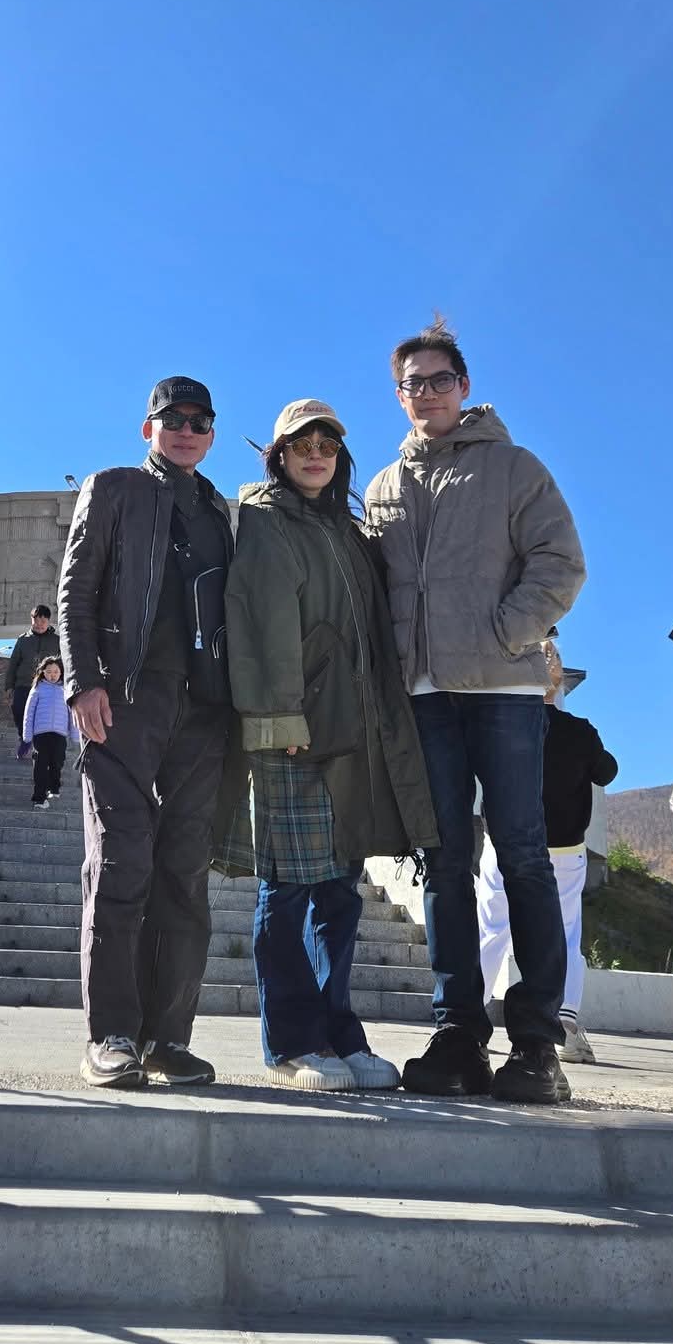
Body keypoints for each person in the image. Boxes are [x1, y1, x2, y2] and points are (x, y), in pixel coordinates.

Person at [365, 318, 586, 1105]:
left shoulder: (514, 467)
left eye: (439, 380)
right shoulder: (383, 488)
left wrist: (506, 632)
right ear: (399, 397)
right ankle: (457, 1033)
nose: (426, 393)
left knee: (522, 853)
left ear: (463, 387)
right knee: (445, 860)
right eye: (412, 384)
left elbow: (561, 562)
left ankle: (537, 1044)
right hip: (424, 698)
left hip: (503, 691)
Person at [218, 399, 439, 1091]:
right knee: (287, 888)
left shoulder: (347, 530)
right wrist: (278, 717)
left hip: (354, 732)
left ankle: (339, 1034)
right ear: (279, 455)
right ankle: (291, 1044)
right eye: (302, 444)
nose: (315, 454)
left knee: (339, 892)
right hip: (293, 731)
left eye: (327, 445)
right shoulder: (264, 518)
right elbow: (259, 620)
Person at [58, 375, 235, 1091]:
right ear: (148, 428)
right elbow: (75, 590)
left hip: (204, 712)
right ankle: (112, 1035)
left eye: (200, 421)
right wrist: (82, 682)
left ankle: (168, 1039)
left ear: (211, 434)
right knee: (121, 862)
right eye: (173, 419)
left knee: (185, 875)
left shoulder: (218, 510)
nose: (186, 430)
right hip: (125, 702)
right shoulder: (115, 488)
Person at [478, 638, 618, 1065]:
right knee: (564, 935)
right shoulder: (580, 731)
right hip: (563, 850)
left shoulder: (496, 727)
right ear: (557, 680)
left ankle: (470, 1020)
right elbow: (607, 772)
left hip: (505, 844)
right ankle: (566, 1025)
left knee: (491, 929)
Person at [22, 655, 72, 807]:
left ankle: (54, 786)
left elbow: (72, 712)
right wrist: (27, 734)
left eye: (56, 672)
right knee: (40, 765)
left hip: (59, 734)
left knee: (57, 761)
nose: (52, 675)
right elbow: (29, 712)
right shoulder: (38, 688)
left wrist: (75, 733)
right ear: (43, 672)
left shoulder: (66, 689)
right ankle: (39, 798)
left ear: (61, 672)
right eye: (49, 671)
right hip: (41, 734)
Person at [5, 605, 60, 735]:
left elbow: (62, 665)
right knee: (19, 711)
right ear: (31, 620)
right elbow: (13, 664)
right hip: (23, 685)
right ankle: (24, 738)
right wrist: (9, 686)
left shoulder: (56, 641)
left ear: (49, 621)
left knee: (41, 717)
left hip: (47, 686)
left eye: (43, 621)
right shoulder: (23, 640)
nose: (39, 624)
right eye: (36, 621)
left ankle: (37, 741)